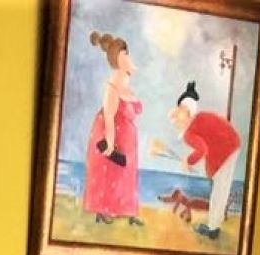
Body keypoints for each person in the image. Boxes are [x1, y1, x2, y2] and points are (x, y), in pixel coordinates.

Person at [156, 81, 244, 241]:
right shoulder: (199, 119)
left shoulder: (190, 132)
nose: (175, 120)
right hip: (231, 145)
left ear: (187, 112)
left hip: (227, 149)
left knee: (219, 190)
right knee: (221, 189)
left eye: (178, 114)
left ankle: (213, 228)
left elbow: (202, 150)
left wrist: (188, 161)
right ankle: (214, 226)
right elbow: (209, 143)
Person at [81, 31, 143, 227]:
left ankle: (129, 212)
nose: (128, 58)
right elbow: (108, 115)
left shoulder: (125, 83)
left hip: (127, 139)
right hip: (112, 135)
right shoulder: (112, 87)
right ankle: (103, 210)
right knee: (110, 173)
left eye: (127, 53)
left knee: (127, 174)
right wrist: (109, 142)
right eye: (124, 54)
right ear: (117, 59)